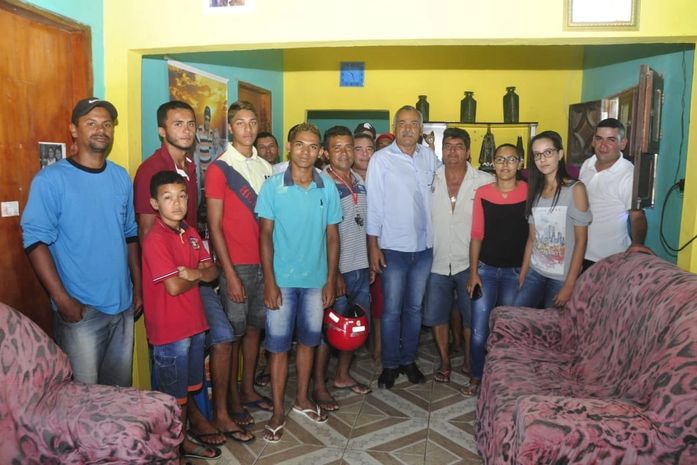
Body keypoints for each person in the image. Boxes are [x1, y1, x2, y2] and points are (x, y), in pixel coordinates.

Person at [133, 100, 246, 445]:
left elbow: (195, 244)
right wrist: (180, 277)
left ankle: (216, 414)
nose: (186, 130)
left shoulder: (190, 166)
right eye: (177, 123)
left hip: (192, 269)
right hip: (170, 281)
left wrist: (197, 272)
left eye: (190, 124)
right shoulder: (152, 170)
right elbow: (149, 234)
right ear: (162, 130)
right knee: (175, 361)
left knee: (221, 338)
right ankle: (183, 431)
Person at [21, 98, 140, 387]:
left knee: (119, 394)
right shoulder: (51, 180)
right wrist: (62, 300)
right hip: (81, 312)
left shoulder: (120, 176)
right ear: (74, 130)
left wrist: (138, 287)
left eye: (107, 124)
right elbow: (35, 241)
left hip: (123, 306)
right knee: (83, 399)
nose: (101, 130)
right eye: (91, 123)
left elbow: (130, 234)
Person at [255, 123, 342, 442]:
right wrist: (269, 282)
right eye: (300, 144)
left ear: (320, 152)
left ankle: (303, 399)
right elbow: (264, 236)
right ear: (290, 147)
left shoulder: (327, 187)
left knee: (309, 342)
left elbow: (333, 237)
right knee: (278, 348)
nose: (306, 151)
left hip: (316, 282)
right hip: (281, 282)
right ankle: (278, 411)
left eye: (313, 146)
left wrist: (330, 280)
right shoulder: (272, 186)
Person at [141, 171, 233, 462]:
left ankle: (181, 445)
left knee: (188, 392)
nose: (177, 203)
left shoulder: (190, 232)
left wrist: (193, 273)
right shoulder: (155, 238)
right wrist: (196, 275)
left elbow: (212, 271)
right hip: (171, 333)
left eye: (182, 196)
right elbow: (173, 286)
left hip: (194, 326)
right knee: (172, 400)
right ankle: (171, 455)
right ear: (154, 203)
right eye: (168, 197)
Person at [206, 101, 274, 425]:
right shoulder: (220, 168)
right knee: (232, 336)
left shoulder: (266, 166)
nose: (248, 129)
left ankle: (247, 390)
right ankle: (231, 398)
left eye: (252, 122)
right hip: (237, 266)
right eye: (241, 123)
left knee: (254, 330)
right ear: (231, 127)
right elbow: (214, 225)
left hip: (264, 263)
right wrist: (230, 274)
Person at [366, 105, 440, 389]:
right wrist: (373, 247)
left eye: (413, 124)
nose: (408, 128)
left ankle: (408, 360)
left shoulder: (429, 157)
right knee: (392, 310)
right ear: (394, 128)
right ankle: (389, 365)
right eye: (402, 123)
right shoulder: (381, 160)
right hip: (393, 248)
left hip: (424, 248)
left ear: (420, 129)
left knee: (414, 309)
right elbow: (374, 206)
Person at [423, 128, 493, 385]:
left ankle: (469, 360)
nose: (453, 151)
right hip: (436, 260)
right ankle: (444, 362)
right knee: (437, 316)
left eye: (459, 146)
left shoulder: (485, 181)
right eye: (448, 146)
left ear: (468, 151)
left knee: (471, 317)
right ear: (442, 151)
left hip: (470, 263)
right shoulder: (429, 179)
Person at [312, 126, 372, 413]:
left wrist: (370, 260)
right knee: (329, 330)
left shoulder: (359, 180)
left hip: (360, 267)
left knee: (355, 326)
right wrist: (333, 274)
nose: (345, 153)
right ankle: (318, 385)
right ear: (326, 152)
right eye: (337, 147)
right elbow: (321, 233)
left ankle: (342, 375)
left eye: (349, 146)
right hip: (337, 271)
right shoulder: (322, 183)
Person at [464, 143, 528, 396]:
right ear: (493, 163)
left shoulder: (529, 192)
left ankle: (505, 380)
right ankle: (477, 377)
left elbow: (533, 236)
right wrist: (473, 273)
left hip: (515, 273)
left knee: (508, 331)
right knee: (479, 331)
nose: (505, 164)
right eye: (500, 159)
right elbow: (476, 235)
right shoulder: (483, 193)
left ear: (520, 163)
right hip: (486, 271)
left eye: (511, 159)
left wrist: (525, 272)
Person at [514, 131, 591, 309]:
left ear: (560, 154)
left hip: (561, 278)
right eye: (537, 155)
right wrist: (524, 272)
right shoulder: (535, 190)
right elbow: (532, 238)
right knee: (516, 315)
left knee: (551, 324)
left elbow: (581, 240)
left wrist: (570, 284)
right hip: (535, 271)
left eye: (548, 152)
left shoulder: (575, 189)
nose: (543, 159)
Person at [579, 118, 651, 270]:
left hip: (609, 259)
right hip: (578, 253)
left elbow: (637, 216)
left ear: (623, 143)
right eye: (599, 138)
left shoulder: (628, 175)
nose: (603, 145)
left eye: (611, 140)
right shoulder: (587, 164)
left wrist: (637, 244)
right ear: (593, 141)